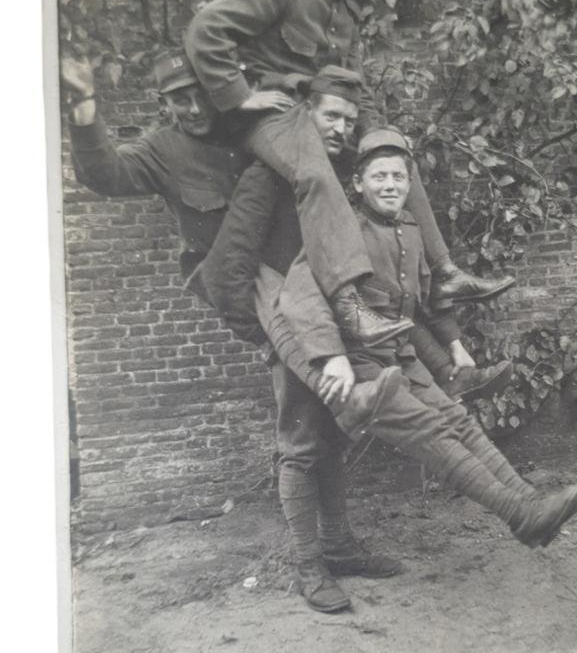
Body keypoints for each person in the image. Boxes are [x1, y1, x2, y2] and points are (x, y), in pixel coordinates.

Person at [62, 52, 505, 613]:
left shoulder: (254, 126)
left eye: (200, 94)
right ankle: (308, 563)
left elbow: (327, 123)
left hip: (317, 288)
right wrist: (84, 104)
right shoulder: (162, 149)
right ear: (162, 103)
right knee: (300, 435)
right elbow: (104, 174)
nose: (193, 108)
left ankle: (339, 545)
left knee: (334, 428)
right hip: (262, 294)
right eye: (178, 99)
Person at [203, 124, 577, 612]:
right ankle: (517, 515)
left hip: (397, 355)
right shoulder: (341, 229)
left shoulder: (409, 229)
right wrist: (332, 359)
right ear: (358, 184)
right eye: (378, 177)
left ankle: (530, 503)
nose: (390, 185)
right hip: (348, 361)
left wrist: (453, 348)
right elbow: (299, 295)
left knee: (456, 419)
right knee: (399, 435)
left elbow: (422, 302)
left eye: (398, 177)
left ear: (410, 184)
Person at [184, 0, 515, 346]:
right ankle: (349, 304)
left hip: (323, 115)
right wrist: (240, 96)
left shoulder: (345, 14)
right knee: (315, 173)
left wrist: (378, 134)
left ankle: (444, 272)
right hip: (272, 117)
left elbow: (353, 86)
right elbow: (206, 29)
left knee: (392, 153)